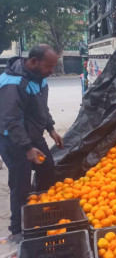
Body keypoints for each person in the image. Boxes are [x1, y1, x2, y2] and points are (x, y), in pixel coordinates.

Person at [0, 44, 64, 244]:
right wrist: (27, 148)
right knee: (20, 183)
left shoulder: (39, 78)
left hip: (32, 135)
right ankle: (17, 231)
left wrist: (51, 129)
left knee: (47, 168)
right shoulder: (13, 82)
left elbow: (41, 108)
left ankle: (37, 209)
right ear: (34, 62)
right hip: (13, 138)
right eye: (49, 67)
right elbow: (9, 119)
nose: (52, 71)